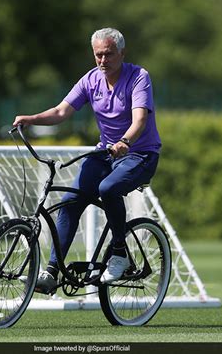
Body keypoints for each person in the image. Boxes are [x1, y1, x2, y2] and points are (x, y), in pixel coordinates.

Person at [13, 27, 161, 294]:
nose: (103, 61)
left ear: (122, 53)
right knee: (70, 202)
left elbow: (140, 120)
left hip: (140, 154)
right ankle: (51, 272)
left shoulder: (139, 77)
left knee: (108, 189)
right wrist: (30, 119)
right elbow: (61, 111)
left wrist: (125, 142)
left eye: (109, 54)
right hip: (105, 153)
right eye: (98, 55)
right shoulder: (91, 80)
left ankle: (119, 253)